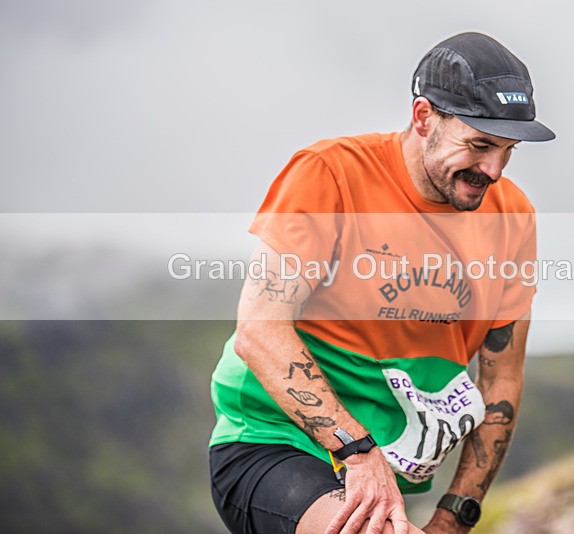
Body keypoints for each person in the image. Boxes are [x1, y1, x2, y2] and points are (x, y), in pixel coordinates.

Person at [209, 32, 555, 534]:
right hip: (274, 441)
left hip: (386, 472)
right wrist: (356, 448)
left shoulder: (514, 217)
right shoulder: (330, 174)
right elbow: (260, 330)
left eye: (508, 150)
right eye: (480, 145)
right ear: (423, 118)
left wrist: (456, 513)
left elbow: (501, 379)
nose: (494, 170)